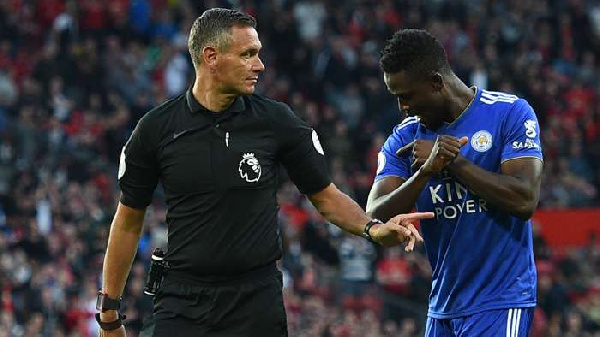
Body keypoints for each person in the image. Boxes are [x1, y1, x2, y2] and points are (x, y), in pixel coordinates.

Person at [96, 9, 433, 337]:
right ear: (211, 57)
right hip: (182, 300)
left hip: (255, 302)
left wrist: (373, 230)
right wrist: (109, 313)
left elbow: (326, 197)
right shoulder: (156, 130)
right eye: (247, 55)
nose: (260, 65)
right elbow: (127, 220)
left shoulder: (276, 122)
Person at [367, 29, 544, 336]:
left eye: (406, 96)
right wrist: (424, 173)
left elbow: (524, 199)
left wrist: (453, 163)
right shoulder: (406, 137)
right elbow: (374, 216)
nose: (402, 107)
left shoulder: (509, 113)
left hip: (500, 301)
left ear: (437, 83)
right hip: (442, 307)